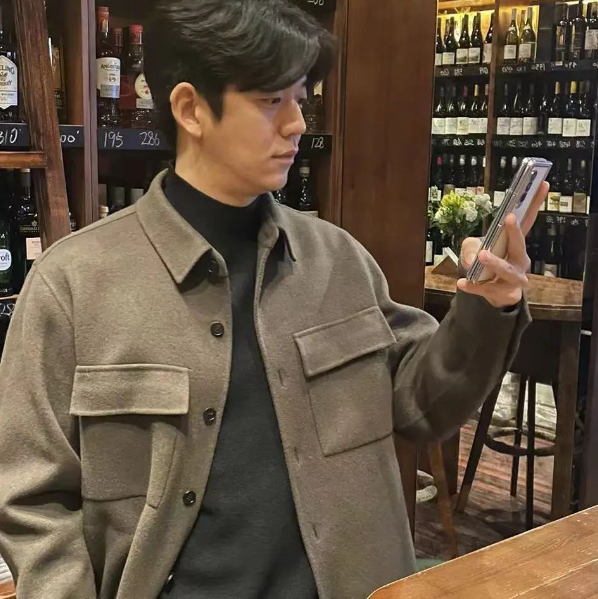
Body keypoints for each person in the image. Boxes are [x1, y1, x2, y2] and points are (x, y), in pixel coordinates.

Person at [0, 1, 546, 598]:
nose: (297, 124)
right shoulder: (73, 284)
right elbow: (30, 498)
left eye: (301, 99)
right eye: (270, 101)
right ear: (190, 109)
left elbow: (424, 406)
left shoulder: (339, 259)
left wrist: (486, 305)